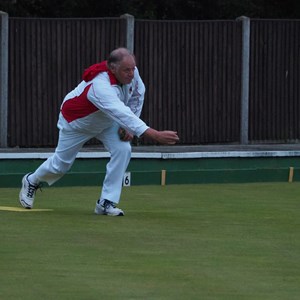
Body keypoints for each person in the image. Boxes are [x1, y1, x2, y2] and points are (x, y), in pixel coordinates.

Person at [19, 47, 179, 216]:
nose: (131, 74)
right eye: (127, 70)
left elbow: (139, 93)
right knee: (60, 166)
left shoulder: (132, 72)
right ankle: (32, 180)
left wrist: (129, 128)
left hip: (106, 121)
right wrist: (154, 135)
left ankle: (106, 202)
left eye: (133, 68)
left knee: (123, 149)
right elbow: (120, 111)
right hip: (77, 124)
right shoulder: (99, 86)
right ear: (112, 68)